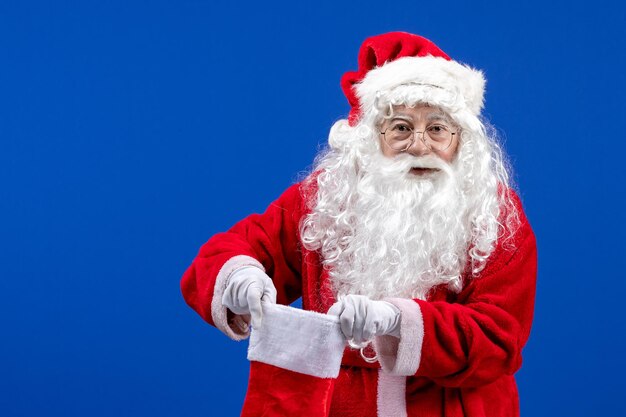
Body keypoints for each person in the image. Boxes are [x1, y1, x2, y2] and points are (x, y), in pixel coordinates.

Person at [181, 31, 537, 417]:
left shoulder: (495, 214)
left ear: (461, 139)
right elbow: (231, 250)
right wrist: (239, 278)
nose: (419, 145)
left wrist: (398, 321)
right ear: (371, 136)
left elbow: (498, 338)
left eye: (437, 128)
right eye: (401, 127)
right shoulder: (328, 196)